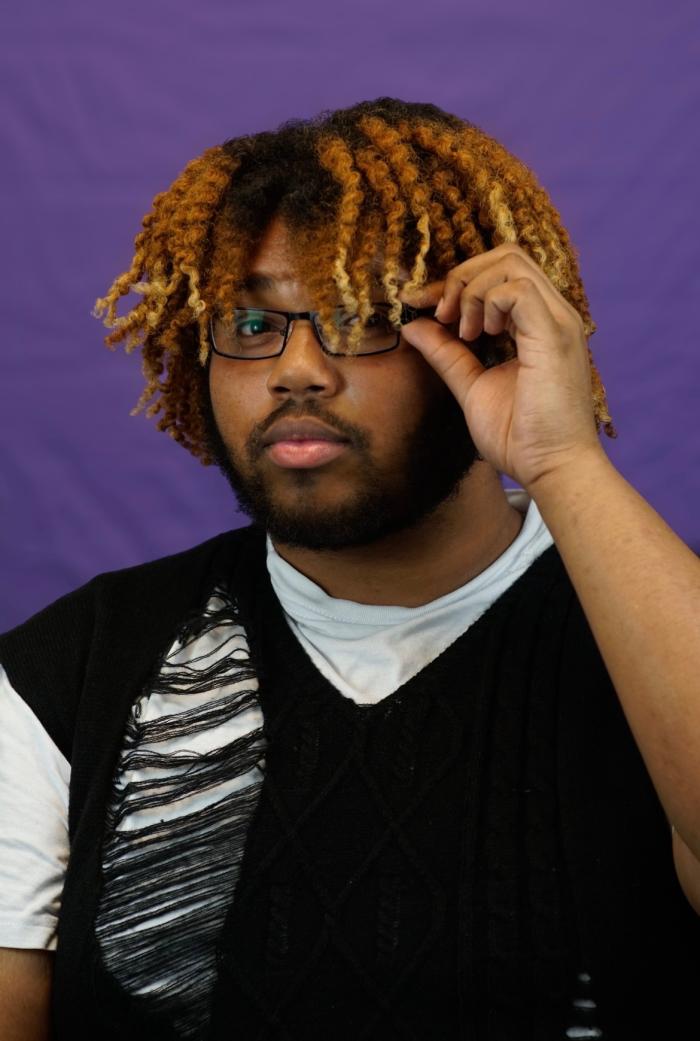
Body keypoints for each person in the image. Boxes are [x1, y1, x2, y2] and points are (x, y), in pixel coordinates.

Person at [0, 97, 697, 1041]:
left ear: (485, 334)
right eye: (252, 321)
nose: (297, 370)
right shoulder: (70, 671)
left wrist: (564, 460)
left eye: (361, 317)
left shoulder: (647, 635)